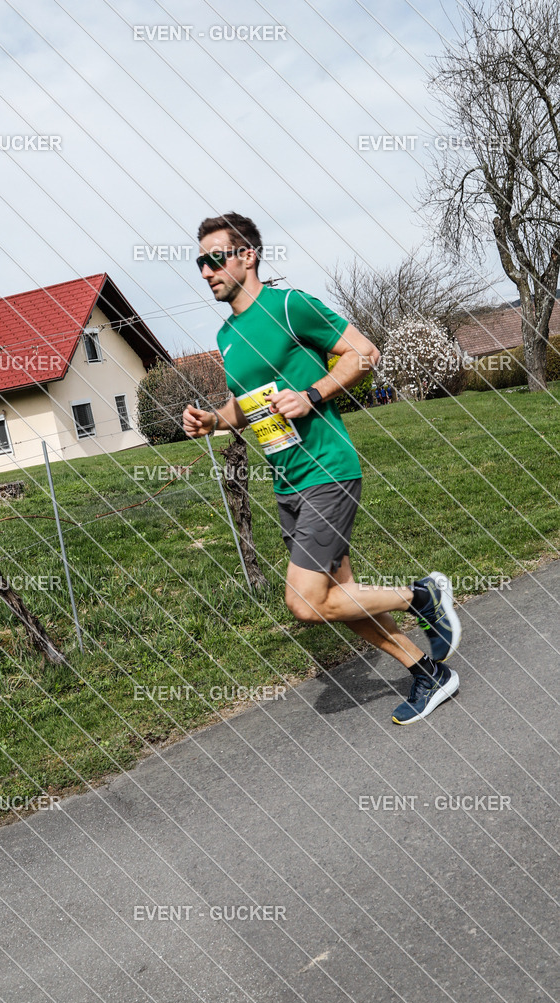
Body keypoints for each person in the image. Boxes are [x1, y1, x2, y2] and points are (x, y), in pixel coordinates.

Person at [182, 212, 461, 724]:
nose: (205, 271)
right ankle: (429, 672)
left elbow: (364, 353)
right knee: (341, 598)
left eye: (214, 258)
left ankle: (422, 594)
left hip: (327, 469)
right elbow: (246, 406)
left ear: (248, 256)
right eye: (200, 262)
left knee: (306, 605)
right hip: (285, 478)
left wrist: (314, 394)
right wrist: (213, 419)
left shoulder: (289, 307)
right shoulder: (225, 337)